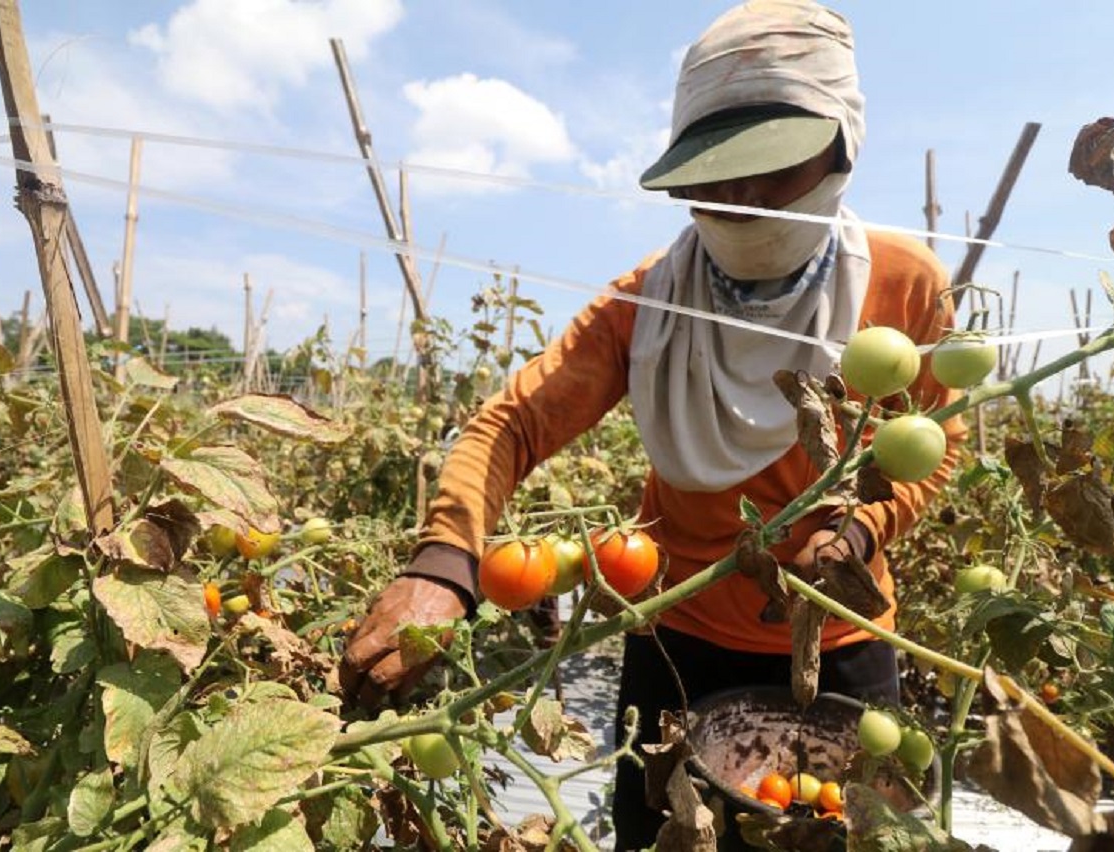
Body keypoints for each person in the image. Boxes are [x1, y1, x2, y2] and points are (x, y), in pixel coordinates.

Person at [341, 1, 966, 848]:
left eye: (773, 169)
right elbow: (513, 424)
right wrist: (444, 566)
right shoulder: (647, 304)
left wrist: (859, 532)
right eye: (716, 173)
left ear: (840, 149)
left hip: (843, 639)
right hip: (676, 634)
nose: (740, 198)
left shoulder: (905, 288)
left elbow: (933, 445)